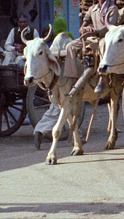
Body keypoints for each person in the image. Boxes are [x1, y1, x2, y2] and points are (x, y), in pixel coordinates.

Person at [63, 0, 119, 95]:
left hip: (106, 38)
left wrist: (94, 32)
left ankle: (102, 78)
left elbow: (110, 28)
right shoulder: (92, 9)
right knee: (70, 46)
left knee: (103, 46)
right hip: (91, 37)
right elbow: (82, 26)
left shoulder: (113, 9)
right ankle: (71, 77)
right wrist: (85, 29)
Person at [34, 17, 74, 149]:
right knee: (61, 107)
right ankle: (41, 130)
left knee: (60, 106)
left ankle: (76, 134)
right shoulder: (69, 39)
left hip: (52, 80)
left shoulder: (51, 46)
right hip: (66, 79)